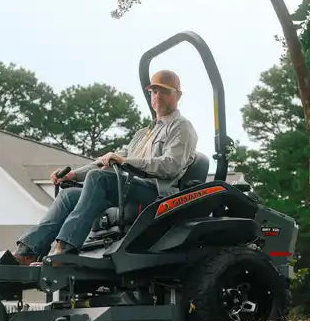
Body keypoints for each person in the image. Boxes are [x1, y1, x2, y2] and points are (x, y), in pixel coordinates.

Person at [12, 70, 198, 265]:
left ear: (177, 95)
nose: (157, 96)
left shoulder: (181, 127)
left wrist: (125, 162)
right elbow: (106, 160)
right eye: (154, 91)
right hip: (128, 188)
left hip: (156, 194)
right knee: (68, 195)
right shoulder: (144, 133)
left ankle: (65, 250)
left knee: (98, 178)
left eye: (164, 91)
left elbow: (171, 166)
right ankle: (29, 251)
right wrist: (74, 174)